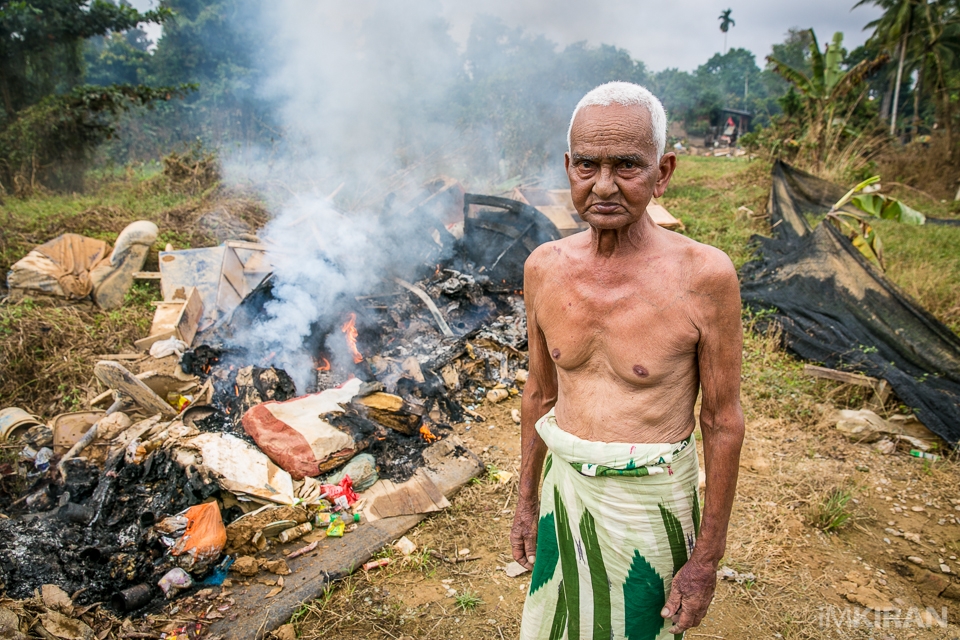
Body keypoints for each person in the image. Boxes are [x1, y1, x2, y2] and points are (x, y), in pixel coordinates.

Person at [512, 82, 744, 640]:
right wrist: (525, 502)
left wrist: (707, 558)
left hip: (650, 504)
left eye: (627, 166)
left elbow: (721, 420)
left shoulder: (704, 277)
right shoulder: (544, 267)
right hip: (564, 497)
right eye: (587, 165)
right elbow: (540, 395)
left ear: (663, 172)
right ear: (569, 167)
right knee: (557, 625)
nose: (604, 185)